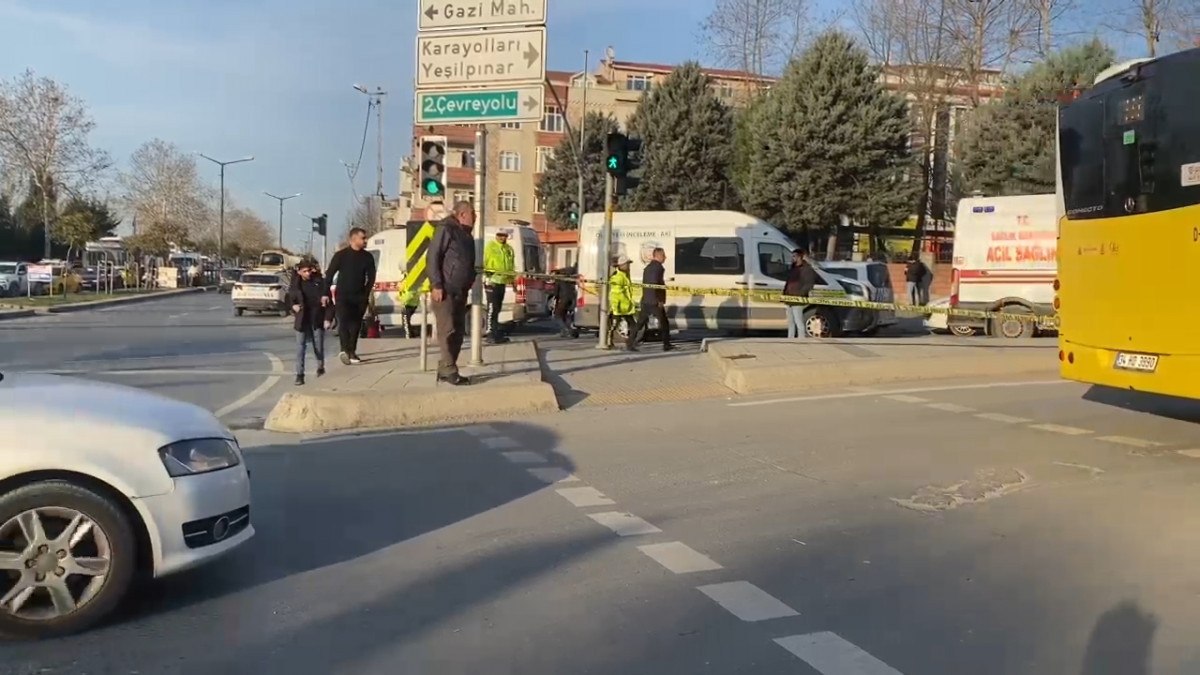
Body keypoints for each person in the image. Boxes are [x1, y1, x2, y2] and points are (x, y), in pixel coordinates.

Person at [427, 201, 477, 385]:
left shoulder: (466, 235)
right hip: (445, 289)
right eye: (473, 213)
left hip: (460, 290)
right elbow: (433, 256)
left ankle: (446, 367)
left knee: (458, 331)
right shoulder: (446, 229)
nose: (476, 217)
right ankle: (449, 370)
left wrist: (470, 277)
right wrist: (436, 284)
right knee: (447, 329)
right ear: (463, 214)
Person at [325, 227, 376, 365]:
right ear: (353, 239)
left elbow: (371, 277)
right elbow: (329, 275)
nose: (365, 240)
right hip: (343, 295)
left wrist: (365, 293)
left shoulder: (367, 257)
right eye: (363, 238)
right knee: (343, 321)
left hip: (359, 297)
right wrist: (325, 294)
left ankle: (352, 351)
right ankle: (344, 350)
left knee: (355, 325)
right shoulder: (341, 256)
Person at [286, 261, 334, 386]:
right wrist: (293, 306)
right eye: (304, 271)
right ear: (299, 272)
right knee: (300, 348)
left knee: (318, 347)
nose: (307, 273)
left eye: (309, 270)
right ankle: (300, 375)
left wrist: (327, 319)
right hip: (302, 320)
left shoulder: (319, 283)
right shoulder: (295, 285)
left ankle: (320, 367)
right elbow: (290, 300)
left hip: (317, 319)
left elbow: (329, 303)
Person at [628, 247, 672, 352]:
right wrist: (659, 300)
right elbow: (654, 284)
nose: (665, 257)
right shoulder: (658, 268)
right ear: (658, 256)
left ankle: (630, 343)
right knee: (664, 323)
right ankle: (666, 345)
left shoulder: (648, 267)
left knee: (640, 323)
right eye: (663, 255)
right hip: (654, 301)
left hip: (646, 300)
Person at [483, 228, 515, 344]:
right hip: (492, 281)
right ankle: (490, 333)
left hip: (502, 282)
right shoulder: (490, 246)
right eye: (499, 235)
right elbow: (484, 262)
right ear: (496, 235)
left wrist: (512, 281)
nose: (502, 237)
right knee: (492, 308)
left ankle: (495, 332)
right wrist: (486, 276)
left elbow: (510, 266)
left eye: (504, 235)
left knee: (497, 308)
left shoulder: (508, 249)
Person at [782, 248, 817, 339]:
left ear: (800, 257)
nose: (792, 258)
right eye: (792, 256)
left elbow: (809, 284)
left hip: (798, 299)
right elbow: (789, 282)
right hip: (789, 298)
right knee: (790, 322)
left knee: (798, 321)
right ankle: (790, 339)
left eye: (794, 256)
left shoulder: (806, 269)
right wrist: (784, 294)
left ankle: (801, 339)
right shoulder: (793, 268)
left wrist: (800, 294)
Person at [608, 255, 637, 347]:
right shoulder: (618, 277)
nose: (629, 266)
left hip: (626, 307)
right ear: (621, 265)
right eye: (627, 264)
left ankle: (630, 343)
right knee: (614, 325)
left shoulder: (625, 275)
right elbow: (615, 294)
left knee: (633, 326)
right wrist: (615, 307)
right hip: (620, 307)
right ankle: (609, 342)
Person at [553, 264, 578, 338]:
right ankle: (569, 329)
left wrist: (555, 298)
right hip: (572, 298)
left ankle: (565, 329)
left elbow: (556, 291)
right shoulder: (571, 276)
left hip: (563, 298)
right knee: (567, 314)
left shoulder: (559, 278)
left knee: (557, 315)